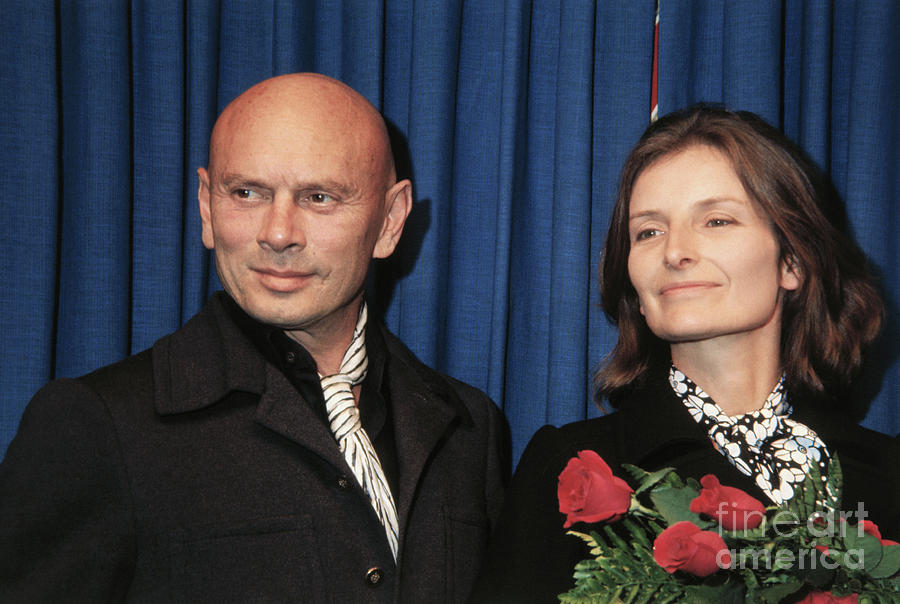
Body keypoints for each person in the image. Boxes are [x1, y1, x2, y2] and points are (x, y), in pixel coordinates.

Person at [0, 73, 508, 602]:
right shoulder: (100, 424)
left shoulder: (469, 429)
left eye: (319, 197)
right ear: (206, 206)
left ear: (389, 220)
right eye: (246, 192)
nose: (278, 232)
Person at [472, 105, 899, 602]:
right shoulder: (570, 469)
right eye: (648, 231)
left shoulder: (887, 474)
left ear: (793, 262)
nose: (674, 252)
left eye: (716, 220)